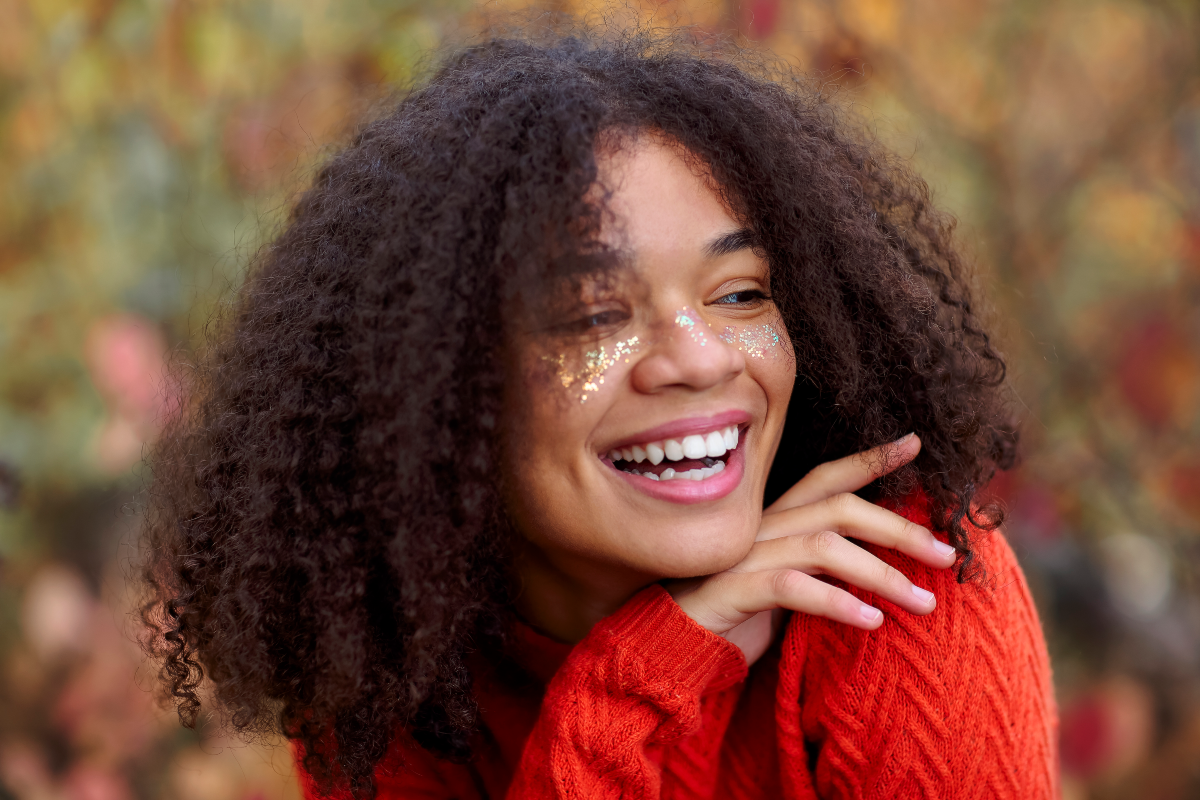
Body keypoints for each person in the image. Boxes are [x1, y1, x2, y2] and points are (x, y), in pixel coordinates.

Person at [139, 29, 1058, 799]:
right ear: (438, 390)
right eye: (592, 316)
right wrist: (650, 674)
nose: (700, 356)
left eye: (741, 293)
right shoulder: (389, 663)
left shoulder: (899, 582)